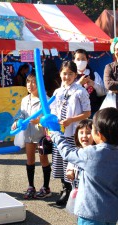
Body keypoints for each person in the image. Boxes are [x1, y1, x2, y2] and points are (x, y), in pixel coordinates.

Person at [51, 107, 118, 225]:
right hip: (112, 214)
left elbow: (67, 152)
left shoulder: (91, 153)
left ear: (99, 134)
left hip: (90, 214)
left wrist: (55, 133)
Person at [50, 61, 91, 206]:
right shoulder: (57, 92)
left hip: (73, 133)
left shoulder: (80, 91)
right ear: (60, 74)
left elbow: (87, 113)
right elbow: (52, 111)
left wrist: (71, 120)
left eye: (70, 74)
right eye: (64, 73)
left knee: (72, 163)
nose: (66, 76)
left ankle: (74, 191)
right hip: (59, 133)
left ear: (75, 75)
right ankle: (65, 189)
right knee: (60, 162)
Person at [11, 72, 52, 199]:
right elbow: (21, 115)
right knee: (29, 160)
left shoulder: (46, 99)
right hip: (28, 134)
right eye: (28, 81)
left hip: (41, 135)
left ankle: (46, 187)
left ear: (40, 83)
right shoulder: (25, 100)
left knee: (44, 160)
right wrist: (16, 122)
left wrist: (39, 120)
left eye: (34, 82)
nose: (30, 85)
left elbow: (50, 117)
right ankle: (31, 186)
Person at [73, 49, 106, 117]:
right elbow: (67, 92)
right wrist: (79, 83)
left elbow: (102, 93)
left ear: (87, 61)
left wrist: (94, 84)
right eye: (78, 59)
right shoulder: (71, 76)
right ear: (74, 61)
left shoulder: (94, 74)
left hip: (93, 111)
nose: (80, 62)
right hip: (77, 113)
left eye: (83, 59)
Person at [65, 119, 94, 188]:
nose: (84, 136)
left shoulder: (97, 152)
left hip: (90, 188)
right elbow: (71, 163)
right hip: (77, 187)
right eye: (81, 132)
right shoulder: (76, 152)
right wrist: (70, 171)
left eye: (88, 133)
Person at [103, 37, 118, 108]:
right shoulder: (109, 67)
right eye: (117, 49)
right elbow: (108, 85)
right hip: (114, 105)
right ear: (114, 52)